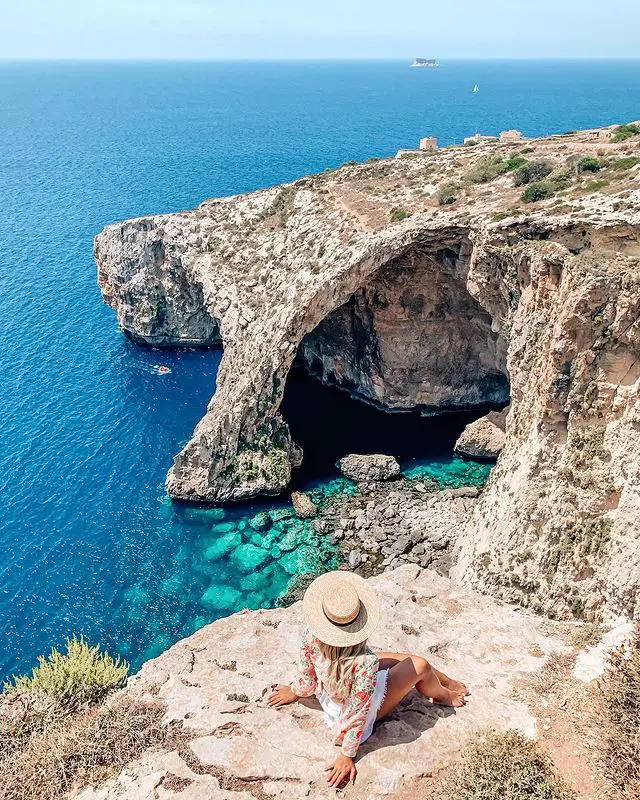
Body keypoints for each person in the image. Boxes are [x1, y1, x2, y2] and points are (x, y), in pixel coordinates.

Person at [267, 571, 468, 788]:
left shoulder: (311, 634)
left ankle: (446, 681)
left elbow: (307, 675)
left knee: (395, 659)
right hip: (353, 716)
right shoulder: (365, 663)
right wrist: (347, 754)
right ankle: (445, 695)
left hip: (330, 698)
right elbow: (358, 710)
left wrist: (296, 691)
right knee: (420, 665)